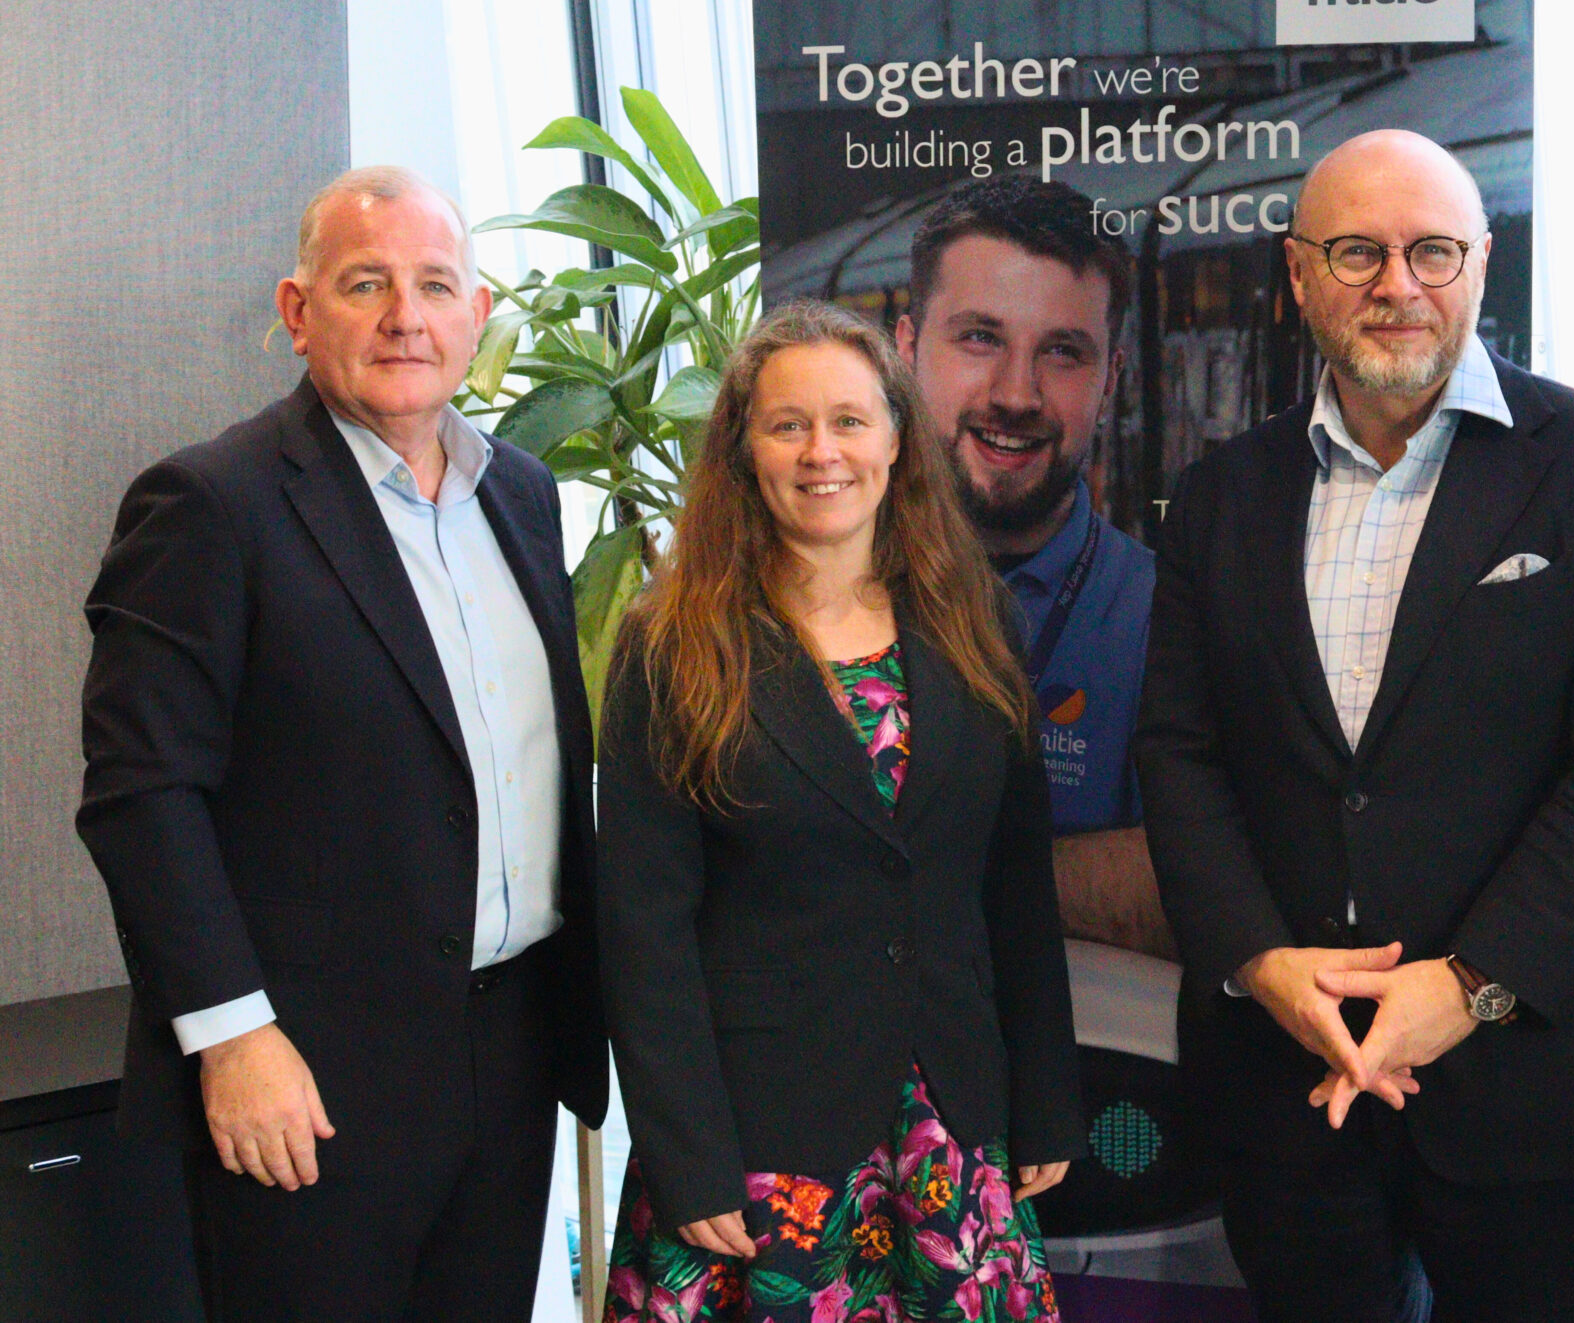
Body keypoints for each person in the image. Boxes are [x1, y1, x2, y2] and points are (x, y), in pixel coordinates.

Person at [1136, 128, 1574, 1322]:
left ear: (1482, 264)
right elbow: (1178, 755)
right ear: (1297, 275)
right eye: (1357, 253)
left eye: (1432, 251)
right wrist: (1255, 963)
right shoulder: (1220, 496)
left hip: (1538, 1088)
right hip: (1294, 1088)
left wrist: (1474, 986)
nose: (1398, 286)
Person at [77, 166, 608, 1322]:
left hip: (508, 1049)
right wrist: (231, 1037)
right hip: (307, 1074)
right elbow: (141, 793)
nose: (404, 316)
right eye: (365, 283)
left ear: (477, 314)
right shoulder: (211, 505)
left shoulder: (520, 492)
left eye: (434, 284)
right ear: (297, 309)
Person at [596, 301, 1082, 1323]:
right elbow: (645, 931)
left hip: (950, 1126)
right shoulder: (672, 643)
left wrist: (1042, 1099)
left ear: (899, 440)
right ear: (744, 449)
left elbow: (1014, 884)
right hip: (763, 1151)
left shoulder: (973, 618)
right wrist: (690, 1157)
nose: (822, 453)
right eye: (787, 425)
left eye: (851, 422)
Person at [895, 174, 1171, 960]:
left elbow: (1207, 882)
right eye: (979, 337)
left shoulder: (1170, 618)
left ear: (1111, 379)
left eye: (1062, 352)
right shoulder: (807, 599)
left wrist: (917, 874)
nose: (1016, 394)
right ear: (907, 349)